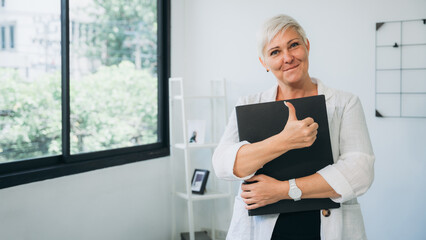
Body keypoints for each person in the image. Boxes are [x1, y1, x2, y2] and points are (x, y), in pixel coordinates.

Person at [212, 14, 374, 240]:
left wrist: (281, 190)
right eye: (275, 52)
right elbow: (222, 165)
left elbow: (360, 172)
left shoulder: (344, 103)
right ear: (264, 62)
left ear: (307, 46)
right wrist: (284, 141)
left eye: (294, 45)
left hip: (326, 227)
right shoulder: (249, 105)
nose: (287, 57)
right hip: (264, 229)